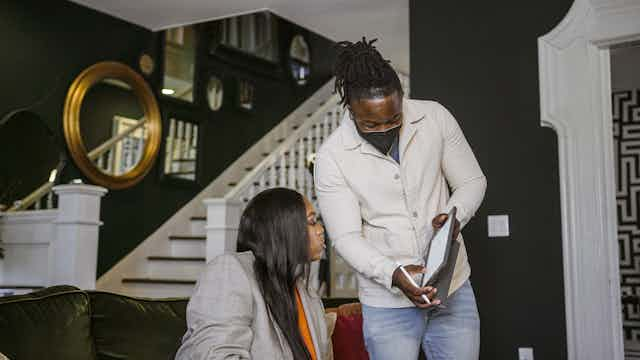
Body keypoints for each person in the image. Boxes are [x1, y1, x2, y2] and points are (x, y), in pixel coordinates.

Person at [314, 38, 487, 360]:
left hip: (453, 287)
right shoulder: (331, 157)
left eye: (394, 120)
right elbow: (346, 236)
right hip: (387, 304)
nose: (385, 130)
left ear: (401, 98)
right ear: (350, 109)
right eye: (371, 124)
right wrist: (393, 274)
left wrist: (454, 215)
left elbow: (472, 181)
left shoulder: (434, 117)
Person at [176, 188, 329, 360]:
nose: (321, 229)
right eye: (312, 221)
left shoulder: (306, 293)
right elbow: (217, 356)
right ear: (283, 228)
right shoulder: (231, 271)